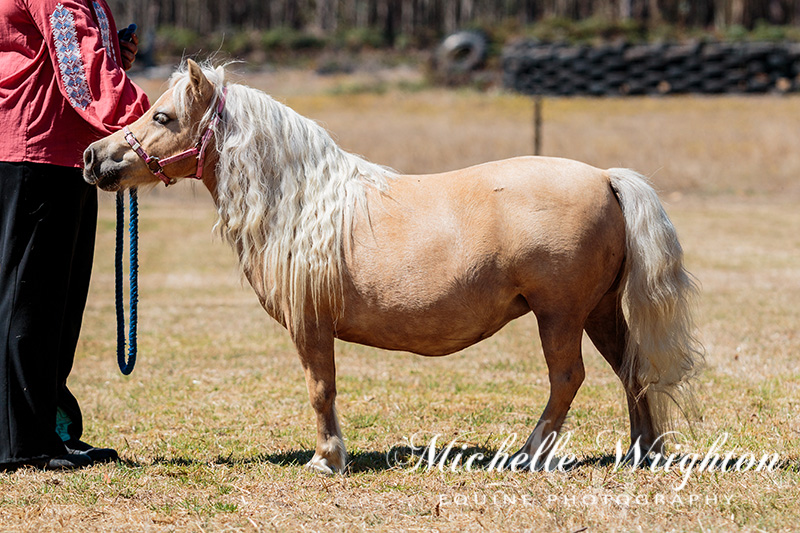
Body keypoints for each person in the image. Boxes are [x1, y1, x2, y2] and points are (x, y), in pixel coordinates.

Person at [0, 0, 150, 470]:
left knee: (56, 307)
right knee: (30, 303)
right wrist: (151, 124)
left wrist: (115, 58)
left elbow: (74, 57)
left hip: (65, 151)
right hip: (37, 150)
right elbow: (80, 65)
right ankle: (21, 444)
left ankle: (44, 430)